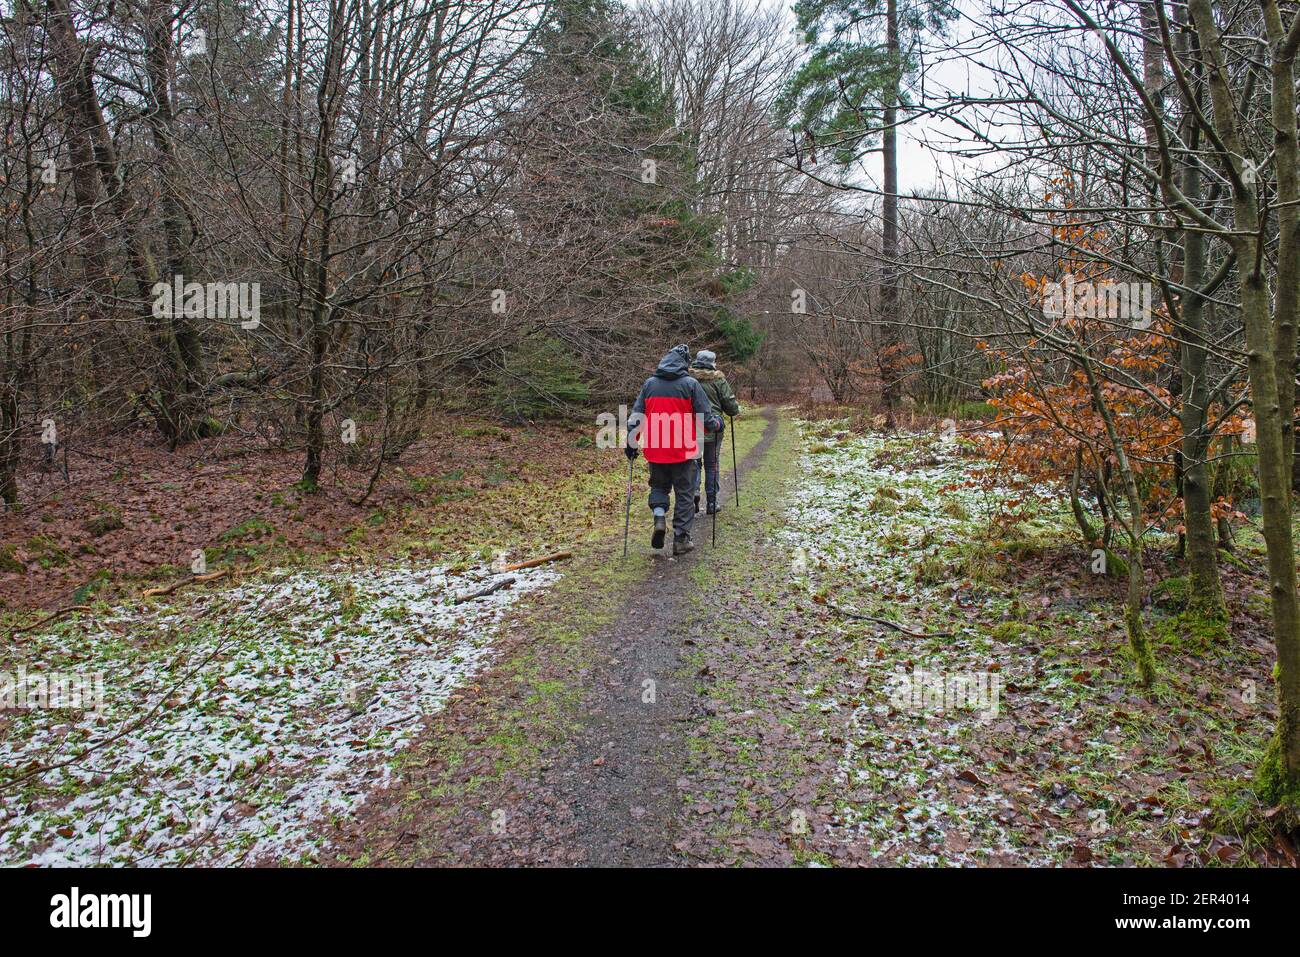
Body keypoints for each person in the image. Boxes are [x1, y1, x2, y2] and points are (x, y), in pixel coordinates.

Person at [625, 344, 721, 554]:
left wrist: (631, 443)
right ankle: (680, 539)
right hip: (683, 450)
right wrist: (716, 424)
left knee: (659, 487)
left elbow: (636, 417)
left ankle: (659, 517)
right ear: (685, 364)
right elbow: (706, 417)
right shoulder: (690, 384)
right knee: (685, 493)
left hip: (656, 448)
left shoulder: (649, 384)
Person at [688, 350, 741, 514]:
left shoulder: (688, 379)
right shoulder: (718, 379)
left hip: (692, 427)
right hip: (713, 427)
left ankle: (694, 493)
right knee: (712, 465)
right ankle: (712, 502)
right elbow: (730, 406)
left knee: (694, 462)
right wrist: (734, 409)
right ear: (712, 363)